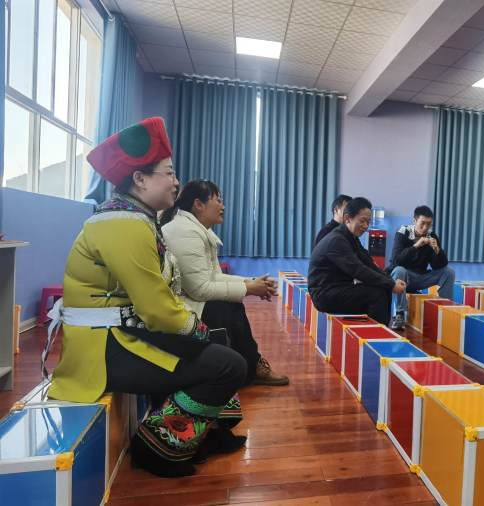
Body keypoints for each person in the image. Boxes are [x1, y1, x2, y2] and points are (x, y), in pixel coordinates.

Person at [46, 118, 247, 478]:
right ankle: (156, 449)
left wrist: (198, 331)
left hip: (123, 333)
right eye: (169, 173)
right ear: (139, 178)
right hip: (105, 347)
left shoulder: (135, 217)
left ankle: (204, 433)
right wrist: (196, 330)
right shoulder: (123, 223)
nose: (175, 182)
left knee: (219, 343)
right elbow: (156, 307)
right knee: (227, 364)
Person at [161, 180, 289, 386]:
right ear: (199, 204)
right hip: (176, 309)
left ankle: (248, 367)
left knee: (231, 304)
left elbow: (214, 276)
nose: (223, 206)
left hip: (187, 300)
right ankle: (243, 368)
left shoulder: (195, 229)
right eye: (218, 200)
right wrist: (249, 288)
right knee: (225, 307)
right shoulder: (184, 232)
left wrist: (252, 283)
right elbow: (200, 289)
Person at [308, 197, 406, 324]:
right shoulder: (337, 240)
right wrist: (391, 285)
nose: (366, 226)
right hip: (324, 294)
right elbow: (358, 270)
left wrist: (390, 281)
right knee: (377, 294)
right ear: (347, 218)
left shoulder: (350, 237)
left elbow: (368, 262)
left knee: (382, 288)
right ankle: (375, 334)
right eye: (362, 221)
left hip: (339, 288)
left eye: (368, 222)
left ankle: (377, 329)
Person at [387, 205, 455, 330]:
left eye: (429, 224)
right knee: (399, 270)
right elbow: (396, 261)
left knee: (448, 272)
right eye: (422, 223)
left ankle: (446, 309)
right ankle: (399, 314)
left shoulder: (432, 236)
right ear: (414, 221)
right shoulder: (403, 232)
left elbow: (438, 266)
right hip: (402, 278)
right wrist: (416, 246)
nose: (425, 227)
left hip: (420, 277)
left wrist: (437, 250)